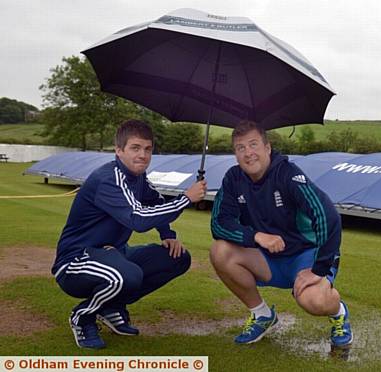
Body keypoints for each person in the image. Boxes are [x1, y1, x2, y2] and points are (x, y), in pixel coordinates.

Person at [51, 119, 207, 349]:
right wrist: (185, 199)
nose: (142, 155)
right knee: (125, 276)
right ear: (118, 150)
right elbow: (138, 219)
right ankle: (82, 317)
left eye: (148, 149)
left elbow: (156, 201)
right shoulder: (109, 178)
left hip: (113, 254)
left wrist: (167, 233)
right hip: (75, 261)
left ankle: (110, 307)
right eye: (135, 148)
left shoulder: (138, 178)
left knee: (178, 258)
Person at [209, 120, 353, 347]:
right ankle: (262, 315)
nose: (248, 153)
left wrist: (319, 269)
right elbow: (219, 223)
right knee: (220, 250)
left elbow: (328, 216)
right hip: (267, 259)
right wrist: (256, 236)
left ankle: (339, 313)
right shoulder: (233, 178)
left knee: (314, 301)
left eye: (254, 145)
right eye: (241, 148)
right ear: (235, 154)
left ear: (267, 148)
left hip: (304, 257)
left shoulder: (288, 174)